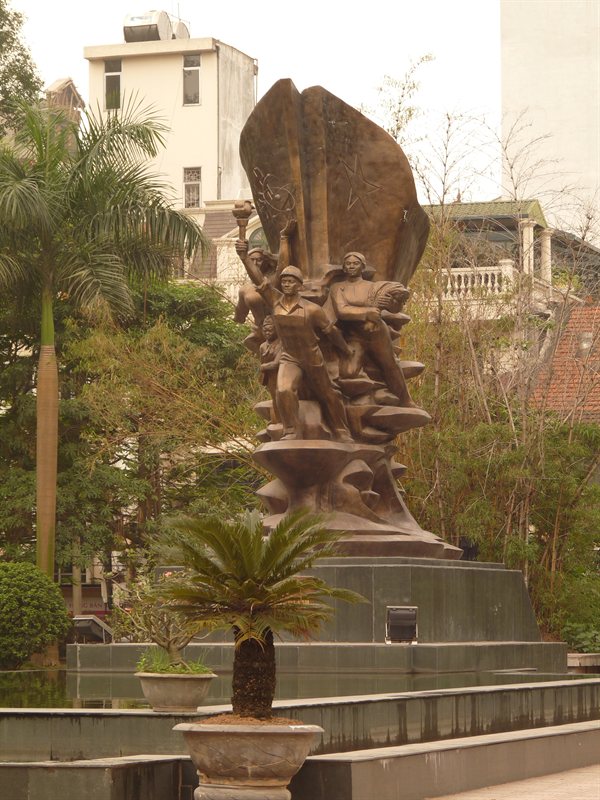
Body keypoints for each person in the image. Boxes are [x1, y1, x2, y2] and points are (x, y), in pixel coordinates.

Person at [236, 238, 352, 442]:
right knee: (283, 390)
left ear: (299, 285)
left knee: (327, 393)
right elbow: (259, 281)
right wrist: (245, 258)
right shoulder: (275, 301)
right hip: (289, 357)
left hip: (312, 356)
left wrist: (345, 350)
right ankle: (291, 430)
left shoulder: (312, 309)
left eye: (291, 281)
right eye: (284, 281)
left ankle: (341, 430)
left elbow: (330, 332)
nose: (287, 284)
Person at [329, 252, 416, 407]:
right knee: (349, 372)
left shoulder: (373, 287)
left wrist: (394, 302)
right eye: (348, 264)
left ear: (362, 266)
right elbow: (342, 311)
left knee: (390, 364)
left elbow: (394, 308)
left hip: (377, 332)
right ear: (343, 267)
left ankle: (406, 400)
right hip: (354, 336)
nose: (351, 266)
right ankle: (372, 396)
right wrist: (367, 312)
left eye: (355, 263)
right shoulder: (337, 288)